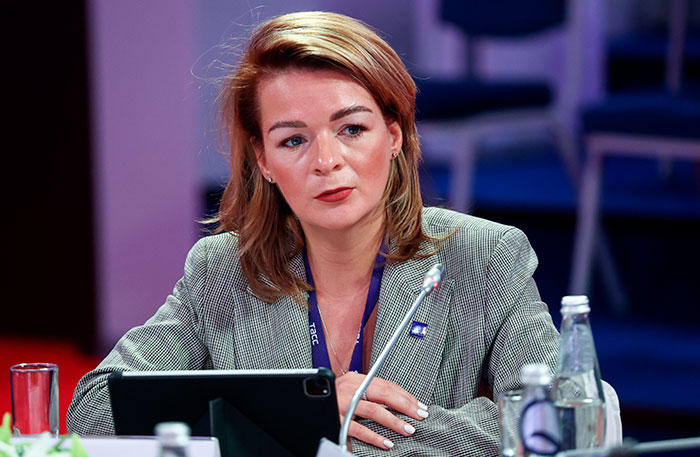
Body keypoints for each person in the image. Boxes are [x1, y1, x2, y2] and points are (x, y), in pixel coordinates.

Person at [67, 11, 559, 456]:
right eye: (293, 140)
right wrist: (298, 412)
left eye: (351, 130)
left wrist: (346, 430)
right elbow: (93, 411)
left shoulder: (483, 255)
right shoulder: (223, 271)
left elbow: (561, 414)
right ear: (264, 160)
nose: (326, 161)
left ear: (394, 135)